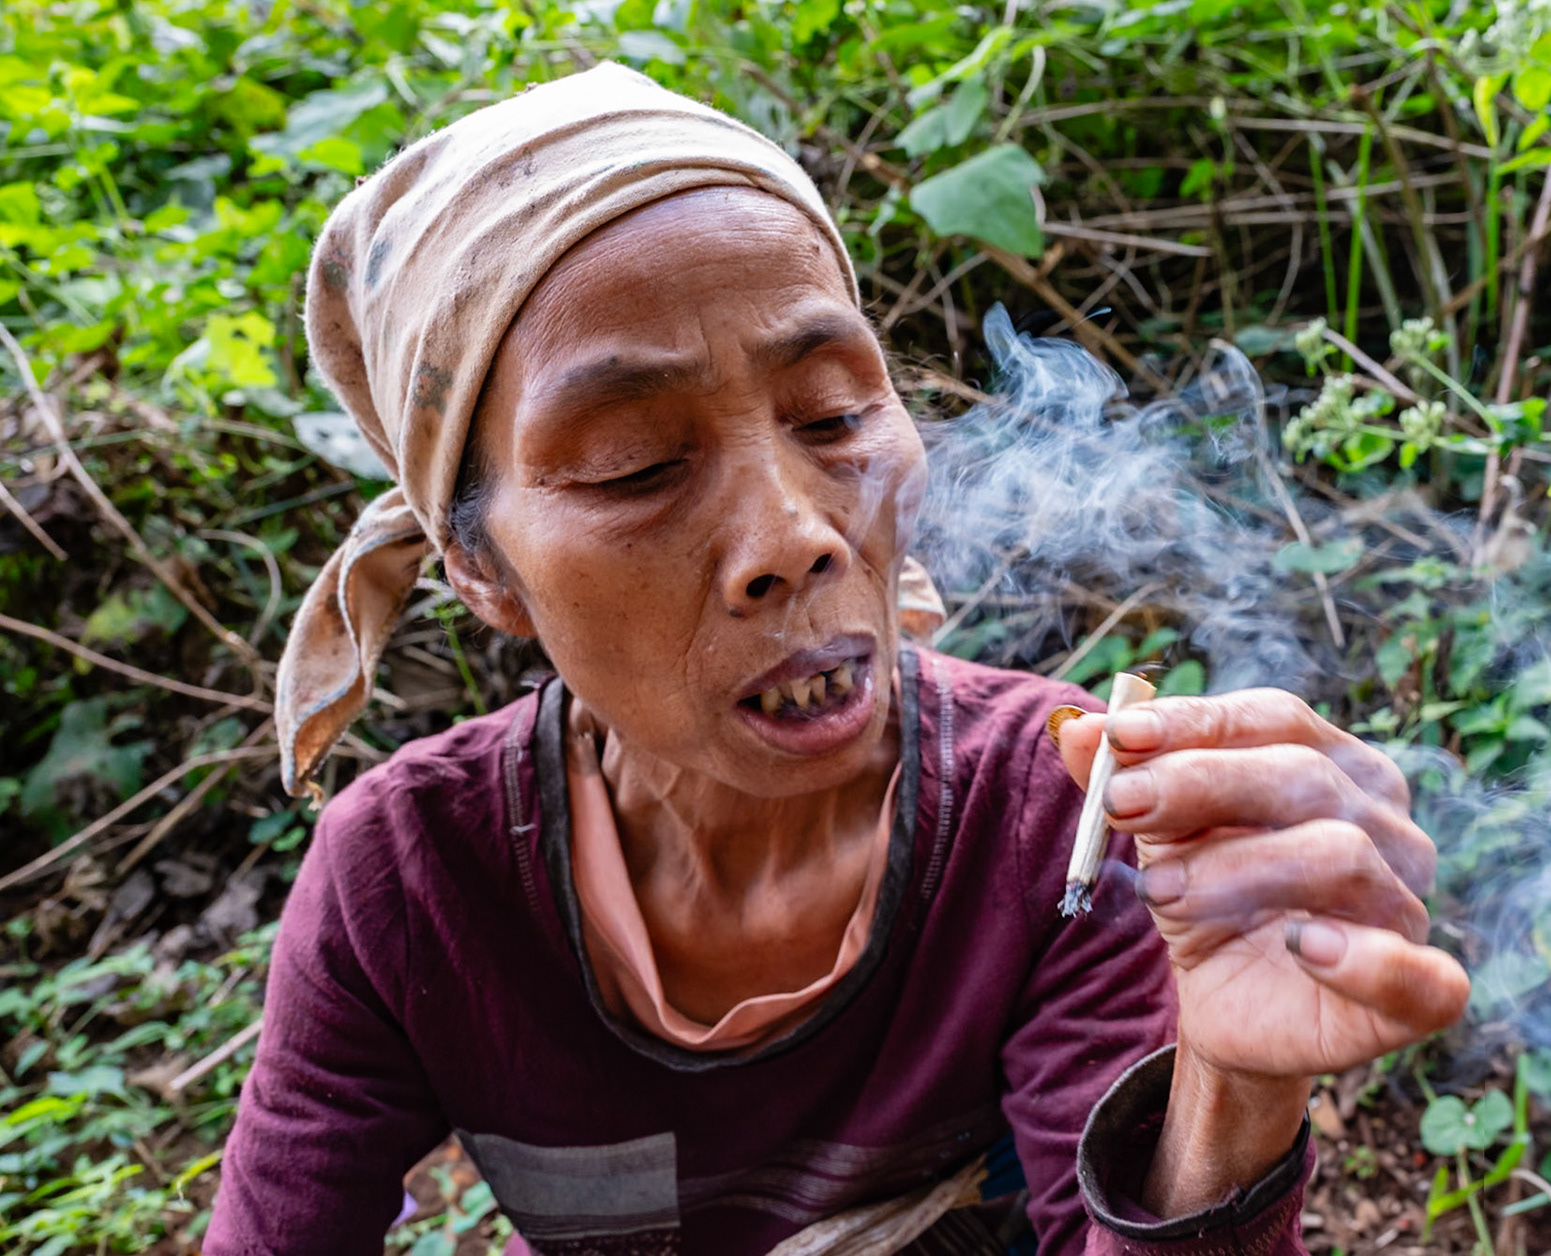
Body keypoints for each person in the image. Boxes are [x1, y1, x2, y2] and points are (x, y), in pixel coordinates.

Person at [208, 62, 1468, 1256]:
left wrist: (1231, 1095)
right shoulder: (413, 879)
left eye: (834, 412)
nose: (795, 536)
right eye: (632, 465)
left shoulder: (1055, 809)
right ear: (483, 569)